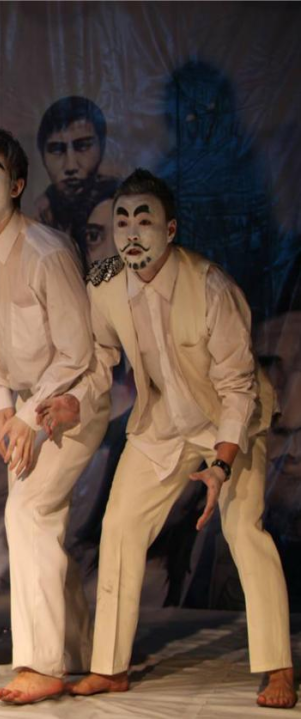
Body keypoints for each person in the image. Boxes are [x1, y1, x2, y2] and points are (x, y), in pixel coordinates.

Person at [58, 169, 296, 709]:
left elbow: (238, 388)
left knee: (244, 531)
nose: (131, 232)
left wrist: (222, 464)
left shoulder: (211, 287)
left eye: (144, 220)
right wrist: (75, 398)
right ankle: (109, 667)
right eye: (122, 220)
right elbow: (102, 357)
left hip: (232, 422)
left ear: (170, 229)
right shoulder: (105, 282)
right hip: (163, 421)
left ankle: (278, 666)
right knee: (119, 526)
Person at [0, 128, 110, 704]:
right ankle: (80, 651)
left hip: (74, 400)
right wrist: (2, 409)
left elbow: (77, 354)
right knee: (38, 521)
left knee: (29, 512)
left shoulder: (47, 252)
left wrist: (26, 415)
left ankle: (42, 664)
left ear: (18, 185)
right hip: (26, 405)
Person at [32, 96, 119, 264]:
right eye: (57, 150)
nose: (71, 165)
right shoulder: (37, 219)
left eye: (83, 146)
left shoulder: (122, 204)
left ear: (102, 147)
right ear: (42, 156)